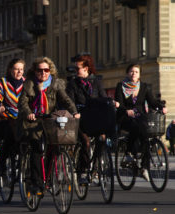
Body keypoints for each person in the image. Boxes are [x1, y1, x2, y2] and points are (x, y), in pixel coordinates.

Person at [18, 57, 80, 193]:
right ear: (35, 71)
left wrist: (74, 112)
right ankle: (36, 182)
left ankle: (50, 174)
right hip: (33, 121)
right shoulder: (29, 83)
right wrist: (29, 113)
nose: (43, 73)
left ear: (50, 70)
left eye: (46, 70)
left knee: (55, 146)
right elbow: (22, 102)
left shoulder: (56, 83)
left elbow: (65, 99)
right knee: (36, 148)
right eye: (40, 70)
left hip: (49, 120)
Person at [66, 54, 114, 183]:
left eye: (78, 69)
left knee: (102, 138)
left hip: (94, 117)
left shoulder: (96, 82)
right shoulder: (72, 84)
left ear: (86, 68)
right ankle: (82, 171)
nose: (76, 71)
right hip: (80, 118)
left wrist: (111, 102)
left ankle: (96, 166)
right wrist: (75, 112)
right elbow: (68, 101)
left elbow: (103, 97)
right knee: (85, 142)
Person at [115, 63, 167, 181]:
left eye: (136, 72)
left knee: (146, 137)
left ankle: (144, 168)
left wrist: (161, 107)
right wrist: (126, 111)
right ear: (128, 73)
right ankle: (128, 153)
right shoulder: (120, 86)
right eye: (132, 71)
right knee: (135, 127)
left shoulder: (143, 87)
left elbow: (152, 101)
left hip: (140, 116)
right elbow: (119, 103)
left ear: (139, 74)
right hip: (125, 116)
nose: (134, 74)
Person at [0, 58, 26, 175]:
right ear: (10, 69)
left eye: (21, 69)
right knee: (9, 135)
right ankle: (2, 165)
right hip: (6, 117)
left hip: (22, 117)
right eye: (16, 69)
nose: (19, 72)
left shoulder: (26, 83)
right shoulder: (3, 82)